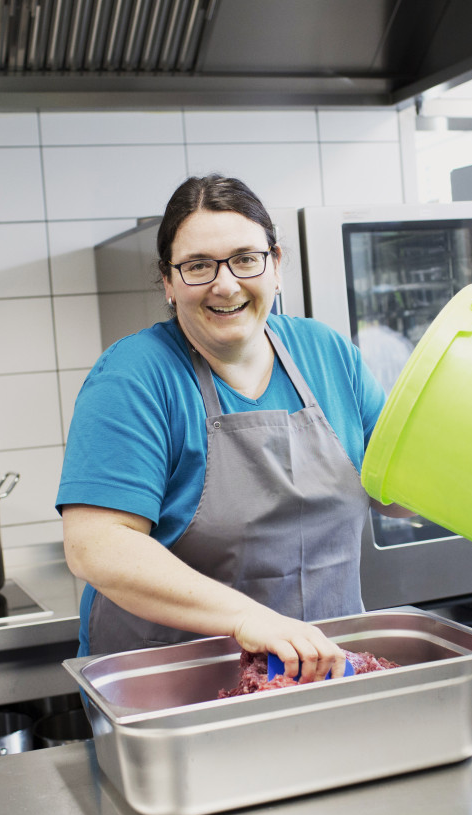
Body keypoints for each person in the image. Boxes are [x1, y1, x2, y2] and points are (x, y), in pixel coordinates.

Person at [57, 174, 412, 682]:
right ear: (168, 282)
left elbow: (399, 489)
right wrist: (248, 618)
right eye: (198, 266)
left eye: (246, 258)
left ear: (276, 265)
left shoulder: (327, 353)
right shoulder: (135, 376)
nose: (226, 284)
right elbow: (96, 545)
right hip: (178, 691)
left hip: (323, 675)